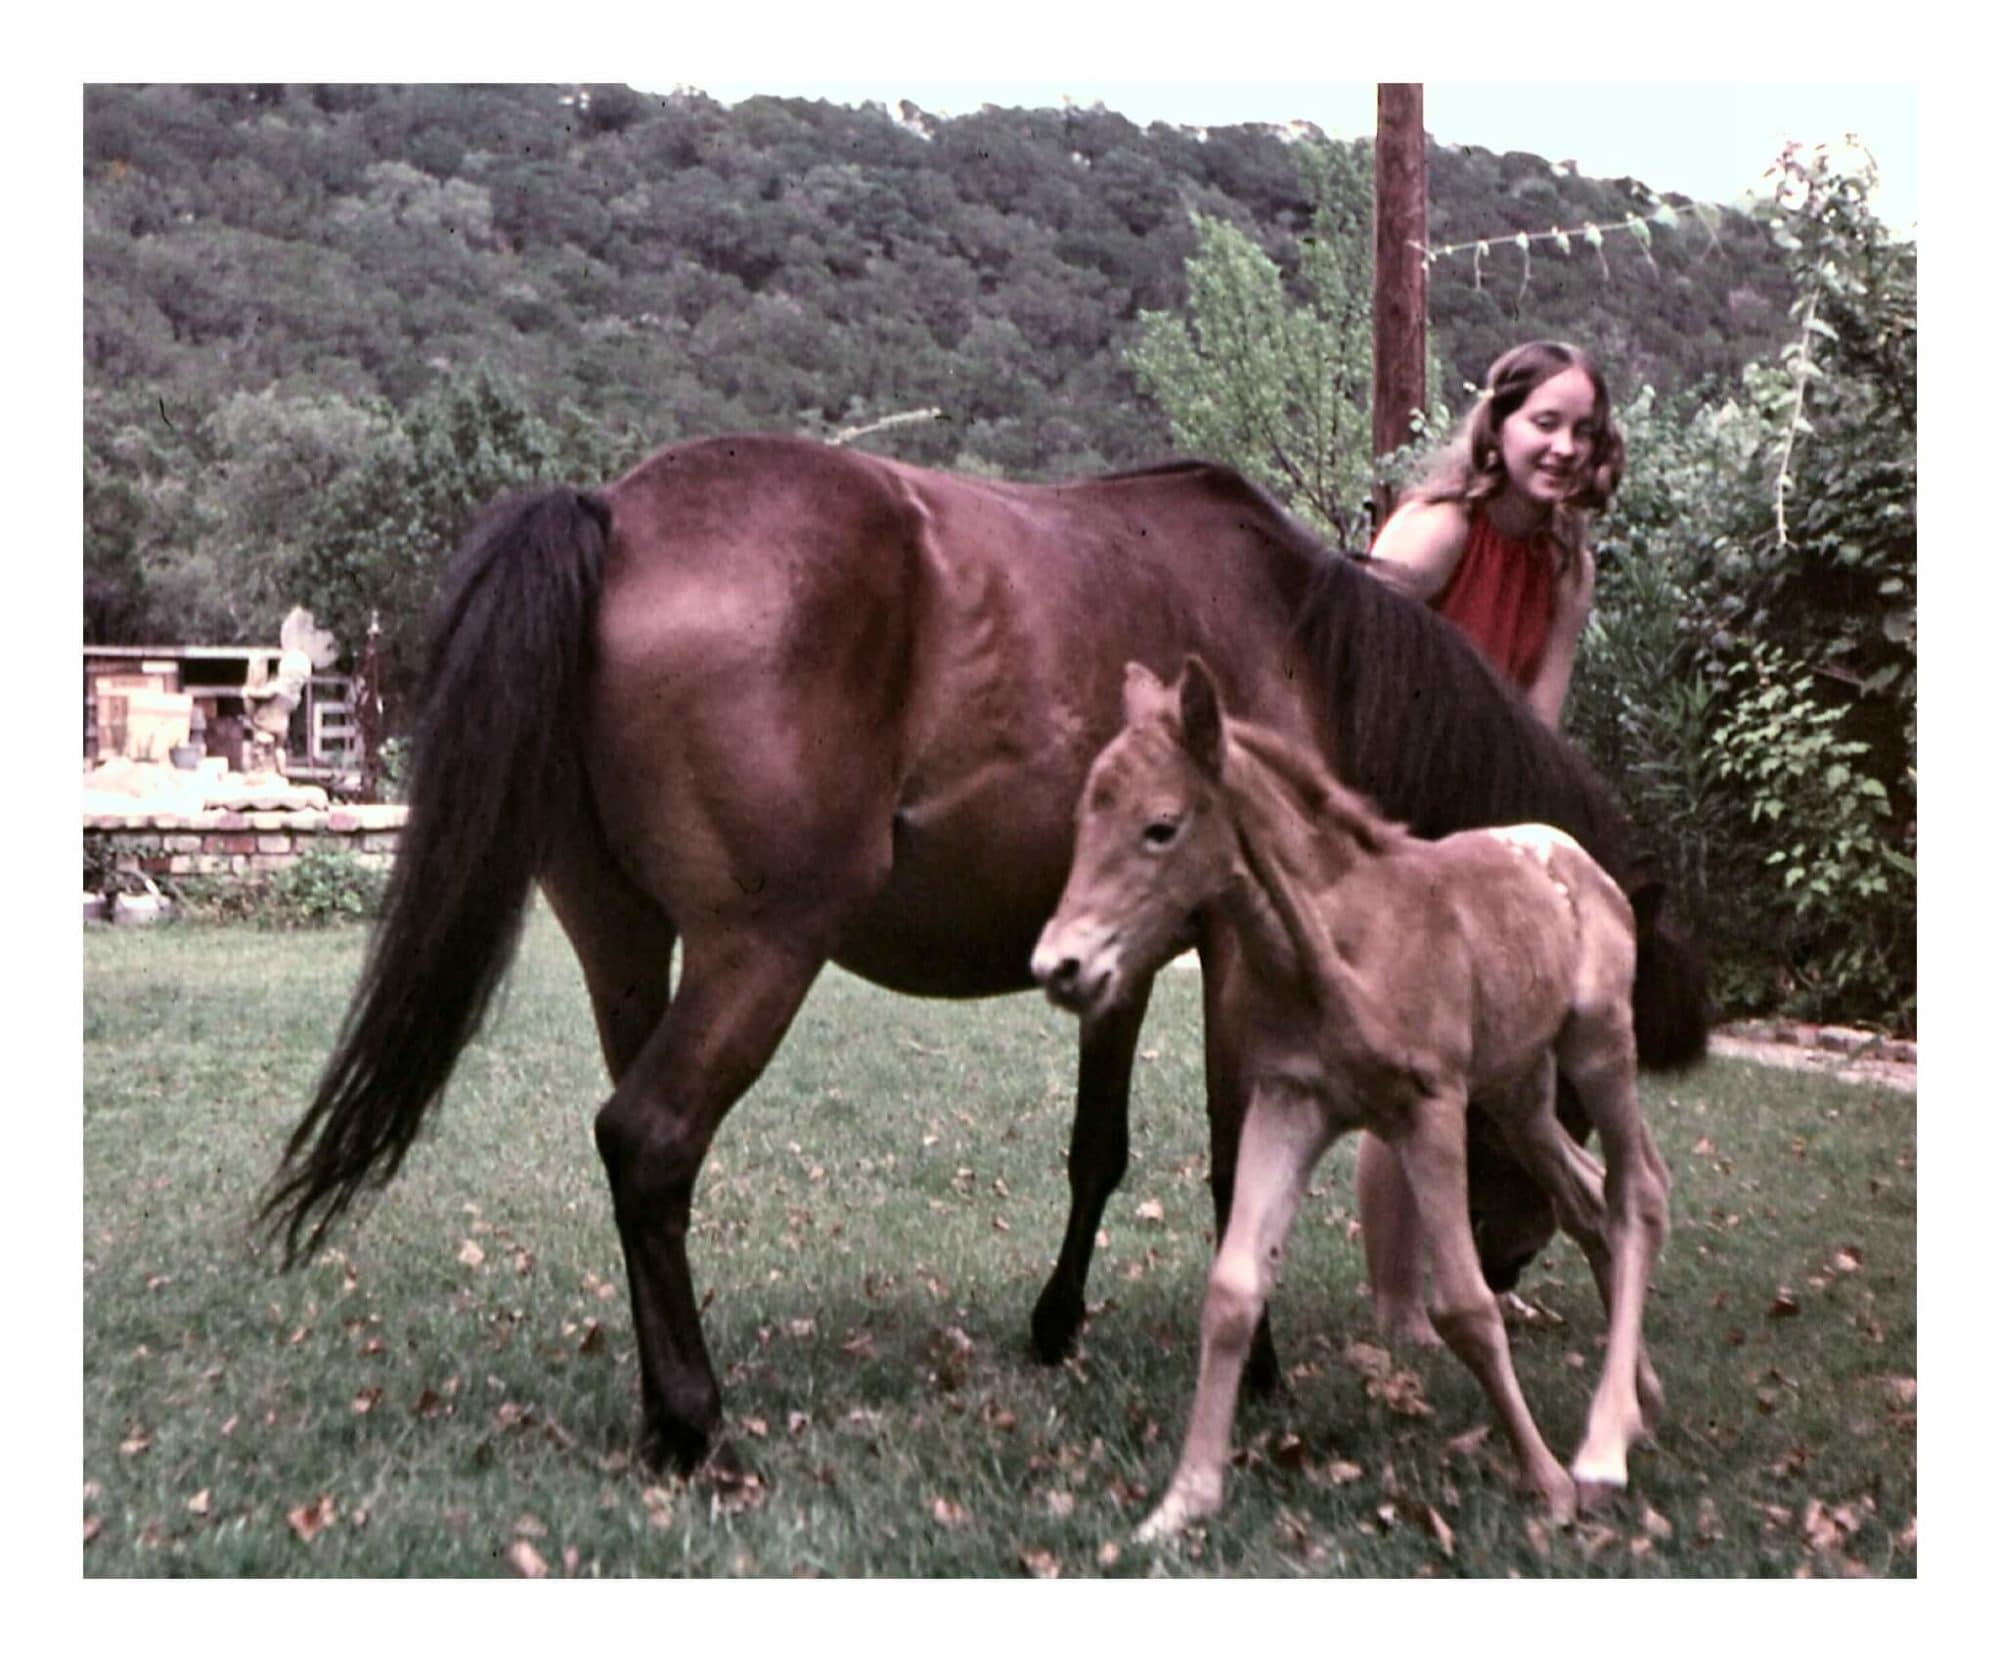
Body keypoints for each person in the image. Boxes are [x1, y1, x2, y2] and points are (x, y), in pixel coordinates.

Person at [1356, 339, 1627, 1346]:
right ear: (1498, 425)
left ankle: (1478, 1267)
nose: (1563, 447)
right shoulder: (1437, 532)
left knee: (1504, 1064)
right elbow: (1350, 671)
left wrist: (1525, 847)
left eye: (1581, 430)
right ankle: (1395, 1306)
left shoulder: (1562, 560)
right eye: (1543, 422)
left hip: (1481, 818)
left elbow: (1535, 726)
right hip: (1397, 813)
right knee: (1408, 1069)